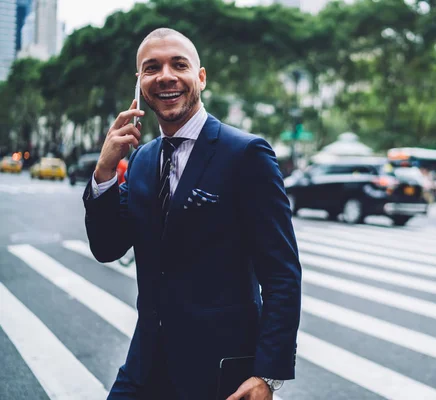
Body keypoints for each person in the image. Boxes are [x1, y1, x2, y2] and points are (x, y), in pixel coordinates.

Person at [83, 28, 301, 399]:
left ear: (200, 77)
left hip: (219, 372)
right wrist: (104, 172)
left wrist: (268, 374)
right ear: (140, 84)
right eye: (152, 68)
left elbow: (281, 272)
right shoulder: (141, 159)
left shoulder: (246, 154)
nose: (165, 76)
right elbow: (107, 247)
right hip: (145, 364)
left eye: (178, 64)